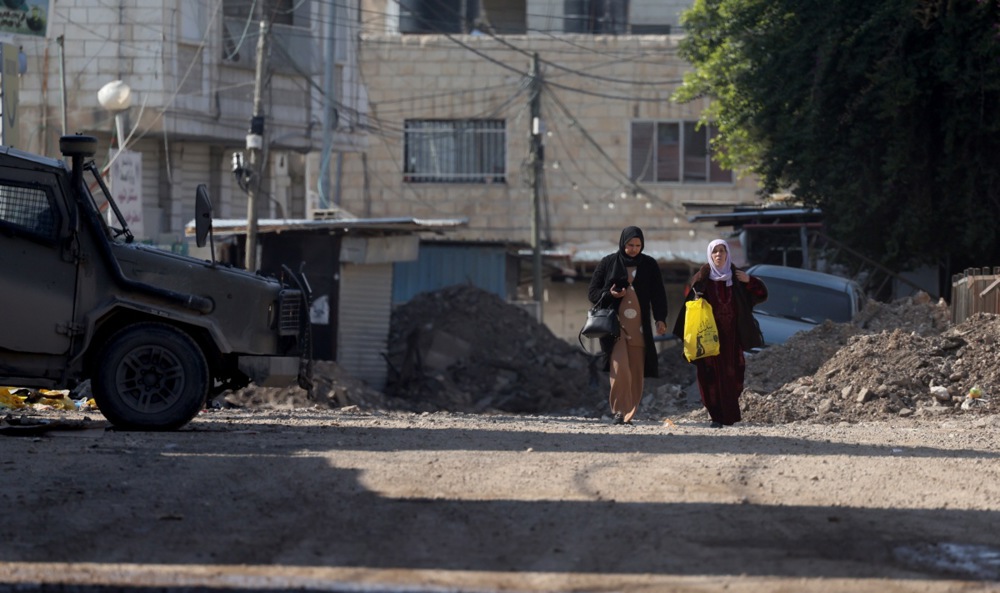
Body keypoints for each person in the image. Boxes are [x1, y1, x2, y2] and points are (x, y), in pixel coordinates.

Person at [673, 239, 767, 428]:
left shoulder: (737, 278)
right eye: (714, 252)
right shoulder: (702, 279)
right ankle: (716, 416)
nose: (718, 255)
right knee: (709, 376)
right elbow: (689, 309)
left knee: (734, 375)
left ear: (727, 254)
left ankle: (730, 416)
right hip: (708, 337)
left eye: (722, 251)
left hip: (732, 338)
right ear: (710, 255)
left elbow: (761, 295)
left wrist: (751, 281)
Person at [588, 226, 669, 425]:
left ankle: (630, 413)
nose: (633, 249)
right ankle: (619, 411)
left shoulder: (649, 264)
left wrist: (660, 318)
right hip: (613, 327)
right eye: (630, 245)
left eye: (637, 245)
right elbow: (592, 293)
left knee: (636, 370)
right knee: (620, 367)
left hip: (639, 327)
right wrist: (610, 294)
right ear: (623, 243)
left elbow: (658, 294)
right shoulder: (608, 263)